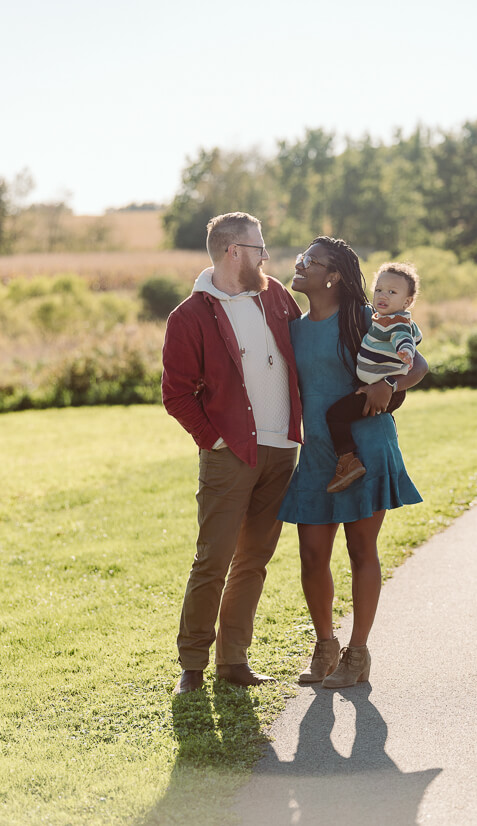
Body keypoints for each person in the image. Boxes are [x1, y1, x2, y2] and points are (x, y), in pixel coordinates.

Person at [278, 237, 427, 689]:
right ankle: (325, 646)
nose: (299, 265)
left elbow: (417, 365)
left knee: (361, 550)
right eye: (302, 259)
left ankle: (357, 654)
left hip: (365, 448)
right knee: (311, 555)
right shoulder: (294, 328)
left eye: (310, 262)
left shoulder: (365, 318)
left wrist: (389, 386)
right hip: (319, 452)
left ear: (334, 276)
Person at [162, 212, 302, 694]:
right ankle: (193, 666)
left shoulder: (277, 295)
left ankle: (234, 660)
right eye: (259, 247)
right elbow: (176, 394)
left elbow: (305, 352)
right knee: (213, 559)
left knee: (254, 559)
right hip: (230, 455)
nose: (266, 255)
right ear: (233, 251)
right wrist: (215, 439)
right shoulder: (189, 316)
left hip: (282, 449)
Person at [325, 262, 422, 493]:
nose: (383, 295)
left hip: (386, 389)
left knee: (335, 415)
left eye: (392, 292)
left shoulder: (395, 322)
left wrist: (405, 352)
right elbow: (414, 333)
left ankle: (348, 461)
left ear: (407, 302)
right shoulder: (383, 318)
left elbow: (404, 339)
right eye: (379, 289)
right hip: (380, 386)